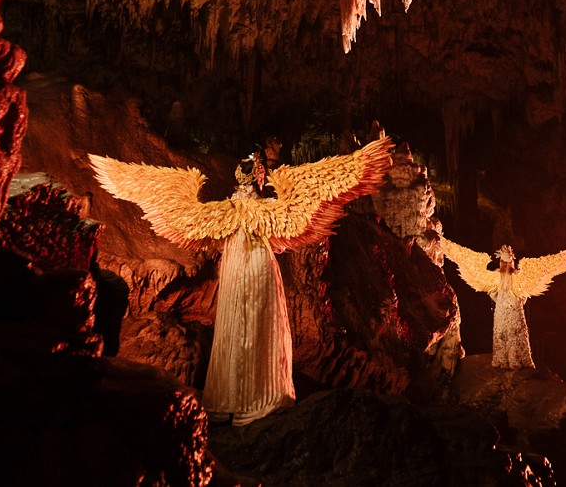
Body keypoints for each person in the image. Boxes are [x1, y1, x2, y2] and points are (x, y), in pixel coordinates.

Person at [89, 135, 394, 424]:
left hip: (235, 264)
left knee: (236, 322)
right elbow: (310, 194)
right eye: (261, 172)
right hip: (258, 264)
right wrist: (360, 162)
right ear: (258, 177)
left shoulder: (224, 212)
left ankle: (230, 400)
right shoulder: (263, 209)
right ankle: (262, 398)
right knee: (260, 320)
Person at [441, 238, 566, 369]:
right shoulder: (516, 276)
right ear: (512, 261)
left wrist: (500, 299)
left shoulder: (496, 276)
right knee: (514, 332)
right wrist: (518, 300)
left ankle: (502, 359)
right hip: (513, 306)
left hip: (502, 307)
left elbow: (492, 293)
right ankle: (514, 359)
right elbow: (522, 294)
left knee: (503, 332)